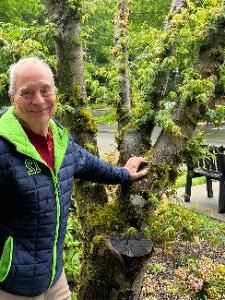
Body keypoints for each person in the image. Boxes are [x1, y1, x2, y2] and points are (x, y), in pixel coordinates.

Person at [0, 57, 147, 299]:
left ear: (54, 92)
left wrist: (125, 174)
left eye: (45, 89)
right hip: (14, 285)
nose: (38, 100)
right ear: (12, 98)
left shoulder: (60, 140)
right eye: (26, 93)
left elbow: (92, 165)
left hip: (55, 277)